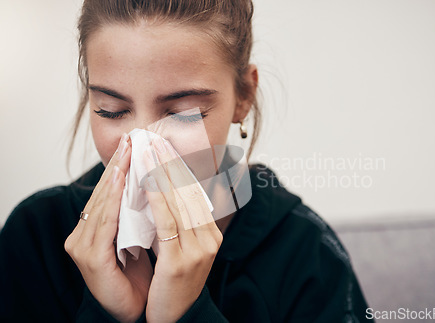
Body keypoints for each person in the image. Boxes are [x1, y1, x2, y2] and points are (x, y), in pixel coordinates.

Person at [0, 0, 372, 322]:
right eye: (111, 111)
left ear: (243, 96)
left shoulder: (304, 254)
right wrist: (107, 314)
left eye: (184, 113)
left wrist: (187, 314)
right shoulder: (35, 239)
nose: (143, 142)